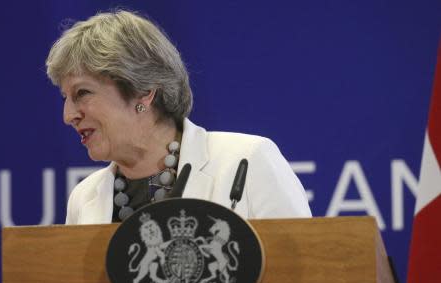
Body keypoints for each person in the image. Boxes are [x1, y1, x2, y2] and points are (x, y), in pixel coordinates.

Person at [45, 10, 312, 224]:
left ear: (143, 91)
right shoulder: (84, 198)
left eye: (82, 93)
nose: (68, 115)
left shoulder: (247, 161)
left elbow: (304, 279)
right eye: (65, 97)